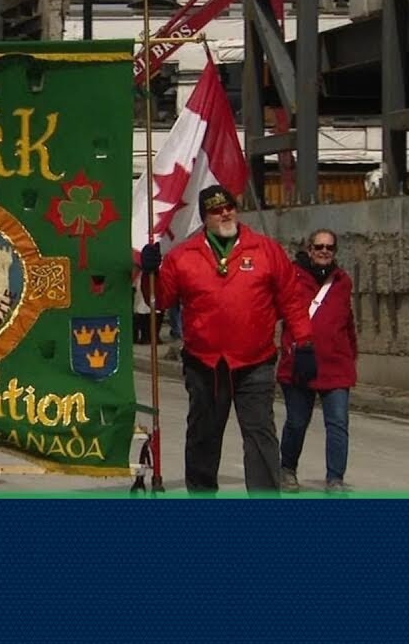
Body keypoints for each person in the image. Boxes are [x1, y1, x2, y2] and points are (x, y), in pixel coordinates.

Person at [139, 184, 317, 493]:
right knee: (203, 436)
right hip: (204, 363)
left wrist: (304, 341)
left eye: (229, 207)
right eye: (216, 210)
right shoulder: (184, 255)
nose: (225, 214)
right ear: (204, 217)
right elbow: (159, 300)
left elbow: (291, 299)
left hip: (255, 361)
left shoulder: (265, 249)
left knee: (260, 434)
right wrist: (149, 272)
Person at [276, 229, 357, 494]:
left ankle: (335, 478)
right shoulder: (291, 278)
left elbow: (347, 322)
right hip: (299, 363)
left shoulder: (342, 281)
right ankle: (287, 469)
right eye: (319, 246)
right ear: (309, 249)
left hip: (335, 365)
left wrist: (351, 354)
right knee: (297, 421)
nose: (324, 251)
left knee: (338, 423)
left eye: (329, 248)